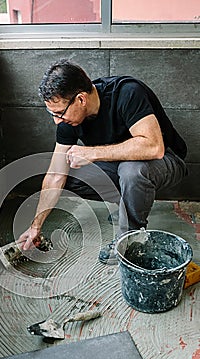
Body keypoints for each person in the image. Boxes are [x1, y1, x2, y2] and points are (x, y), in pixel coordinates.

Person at [18, 60, 187, 264]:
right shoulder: (68, 120)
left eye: (59, 113)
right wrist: (35, 226)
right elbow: (55, 175)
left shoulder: (127, 93)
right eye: (52, 114)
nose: (56, 120)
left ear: (81, 99)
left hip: (167, 159)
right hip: (124, 165)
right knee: (67, 174)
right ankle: (128, 205)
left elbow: (153, 147)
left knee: (131, 171)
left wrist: (93, 153)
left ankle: (129, 241)